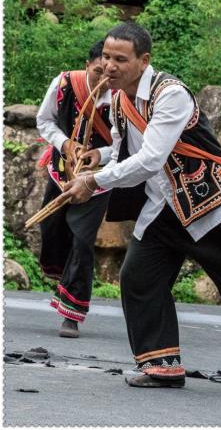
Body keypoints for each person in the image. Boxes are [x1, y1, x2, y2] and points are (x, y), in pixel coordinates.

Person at [57, 22, 221, 388]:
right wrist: (100, 156)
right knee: (137, 277)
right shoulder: (120, 100)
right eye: (106, 57)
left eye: (120, 59)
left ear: (144, 61)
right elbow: (130, 150)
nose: (109, 66)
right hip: (162, 207)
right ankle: (162, 365)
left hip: (209, 204)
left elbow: (152, 158)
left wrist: (94, 182)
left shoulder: (170, 94)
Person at [36, 40, 112, 338]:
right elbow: (45, 121)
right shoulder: (65, 82)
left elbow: (125, 145)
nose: (103, 81)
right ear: (87, 66)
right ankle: (62, 278)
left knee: (81, 237)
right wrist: (66, 143)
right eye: (97, 73)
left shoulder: (123, 98)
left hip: (98, 180)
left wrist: (100, 155)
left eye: (109, 74)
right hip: (61, 172)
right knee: (51, 227)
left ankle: (72, 312)